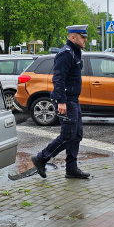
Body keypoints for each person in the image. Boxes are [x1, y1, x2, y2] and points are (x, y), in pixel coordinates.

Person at [31, 24, 90, 179]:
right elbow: (58, 79)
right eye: (82, 37)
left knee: (76, 135)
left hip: (73, 100)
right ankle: (41, 158)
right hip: (67, 100)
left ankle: (71, 168)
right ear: (72, 37)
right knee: (67, 136)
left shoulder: (75, 52)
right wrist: (61, 101)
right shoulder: (65, 54)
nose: (85, 40)